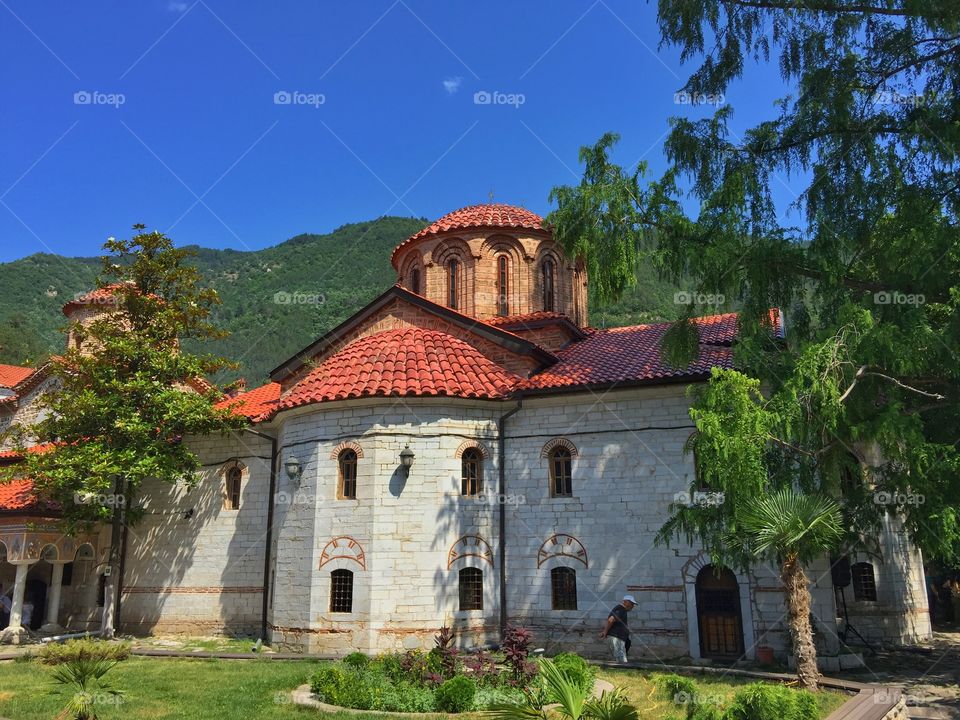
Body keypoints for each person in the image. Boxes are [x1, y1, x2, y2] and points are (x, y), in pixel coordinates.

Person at [599, 594, 636, 663]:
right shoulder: (620, 609)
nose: (633, 606)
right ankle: (624, 672)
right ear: (626, 602)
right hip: (616, 638)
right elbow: (611, 620)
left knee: (619, 659)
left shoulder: (622, 610)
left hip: (618, 638)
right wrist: (605, 632)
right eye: (632, 603)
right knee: (621, 661)